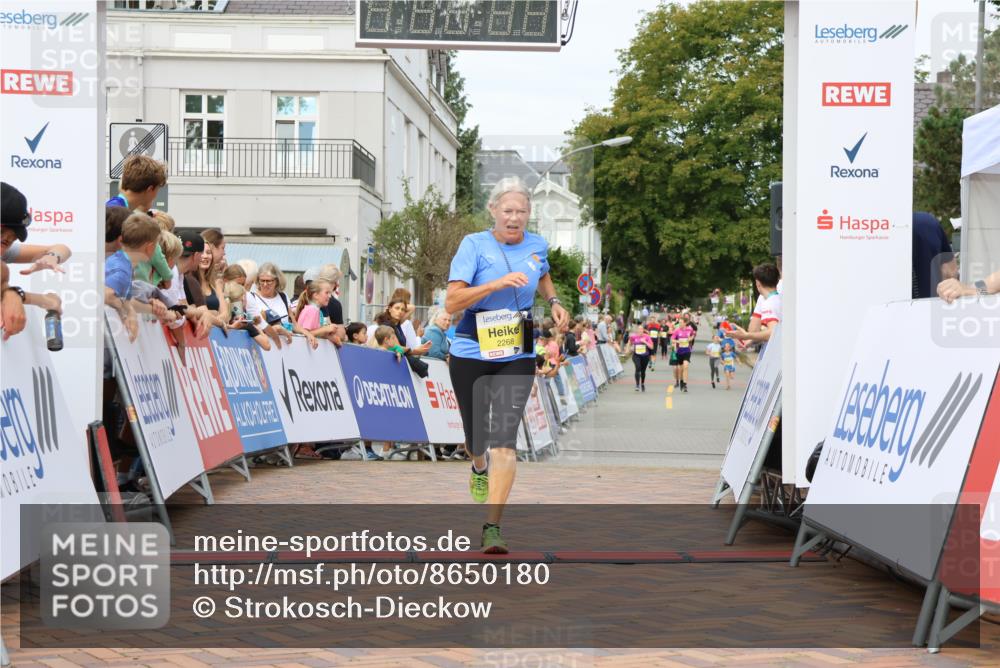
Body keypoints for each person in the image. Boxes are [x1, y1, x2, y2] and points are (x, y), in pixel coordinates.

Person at [445, 176, 570, 554]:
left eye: (522, 211)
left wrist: (554, 302)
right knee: (476, 439)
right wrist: (495, 284)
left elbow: (542, 272)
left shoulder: (537, 244)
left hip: (517, 350)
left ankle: (492, 527)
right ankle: (477, 466)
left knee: (504, 439)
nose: (515, 218)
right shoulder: (473, 245)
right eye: (508, 211)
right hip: (470, 347)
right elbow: (452, 302)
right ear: (493, 211)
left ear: (530, 214)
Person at [245, 262, 313, 348]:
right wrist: (275, 329)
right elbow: (253, 327)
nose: (265, 284)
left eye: (268, 281)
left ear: (277, 281)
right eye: (262, 280)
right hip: (264, 347)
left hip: (286, 347)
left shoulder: (283, 297)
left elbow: (294, 325)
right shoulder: (251, 298)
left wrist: (307, 334)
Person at [729, 263, 781, 344]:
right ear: (777, 281)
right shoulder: (780, 299)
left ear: (758, 283)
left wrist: (746, 335)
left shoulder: (768, 304)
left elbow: (773, 333)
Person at [293, 279, 342, 345]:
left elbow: (314, 333)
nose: (330, 296)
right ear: (315, 295)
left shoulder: (317, 311)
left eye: (330, 293)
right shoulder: (311, 310)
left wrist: (329, 336)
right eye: (327, 293)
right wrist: (325, 329)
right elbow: (305, 334)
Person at [625, 324, 654, 392]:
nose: (640, 330)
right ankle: (637, 385)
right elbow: (629, 342)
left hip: (645, 356)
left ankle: (642, 383)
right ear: (637, 330)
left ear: (643, 330)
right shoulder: (634, 336)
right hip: (636, 355)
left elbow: (651, 347)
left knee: (643, 371)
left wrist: (645, 342)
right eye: (639, 329)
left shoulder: (647, 337)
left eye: (641, 329)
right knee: (638, 368)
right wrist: (627, 349)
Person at [671, 316, 695, 392]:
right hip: (679, 351)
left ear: (685, 323)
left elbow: (693, 335)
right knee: (681, 369)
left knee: (686, 366)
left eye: (681, 322)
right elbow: (672, 339)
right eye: (679, 323)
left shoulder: (689, 329)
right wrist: (678, 341)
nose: (680, 324)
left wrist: (690, 338)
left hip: (687, 350)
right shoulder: (677, 331)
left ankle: (685, 384)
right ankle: (681, 380)